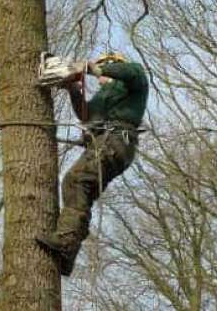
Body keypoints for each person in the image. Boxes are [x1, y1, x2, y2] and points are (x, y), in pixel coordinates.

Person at [36, 52, 149, 276]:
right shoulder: (106, 94)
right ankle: (68, 253)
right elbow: (88, 117)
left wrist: (89, 67)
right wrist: (73, 90)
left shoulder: (132, 79)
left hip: (115, 141)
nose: (99, 78)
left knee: (75, 180)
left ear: (112, 66)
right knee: (82, 190)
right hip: (112, 144)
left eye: (103, 69)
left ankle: (66, 241)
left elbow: (131, 72)